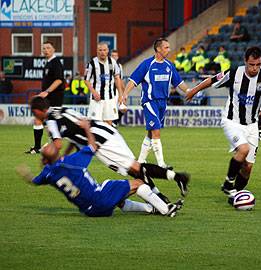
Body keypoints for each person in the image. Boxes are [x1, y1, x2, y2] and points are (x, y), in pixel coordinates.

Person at [30, 96, 190, 203]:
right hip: (104, 130)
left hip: (100, 142)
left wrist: (46, 156)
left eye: (33, 113)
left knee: (135, 168)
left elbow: (57, 144)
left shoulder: (50, 121)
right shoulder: (60, 110)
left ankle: (177, 178)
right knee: (134, 169)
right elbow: (73, 135)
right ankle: (161, 198)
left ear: (37, 111)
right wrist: (66, 156)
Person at [16, 119, 182, 217]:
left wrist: (27, 175)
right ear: (48, 157)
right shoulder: (70, 161)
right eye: (48, 147)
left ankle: (150, 208)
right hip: (99, 198)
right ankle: (165, 210)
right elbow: (93, 146)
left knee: (117, 193)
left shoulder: (47, 173)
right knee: (139, 182)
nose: (51, 144)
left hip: (89, 210)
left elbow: (35, 180)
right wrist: (87, 129)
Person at [185, 47, 261, 199]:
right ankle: (228, 184)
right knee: (243, 149)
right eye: (252, 64)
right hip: (232, 121)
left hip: (252, 125)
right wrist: (194, 90)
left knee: (247, 168)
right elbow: (212, 80)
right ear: (245, 61)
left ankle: (236, 195)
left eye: (258, 65)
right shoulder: (233, 73)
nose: (255, 68)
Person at [122, 38, 191, 168]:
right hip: (150, 102)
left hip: (163, 103)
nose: (169, 50)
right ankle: (161, 164)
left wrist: (188, 91)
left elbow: (178, 82)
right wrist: (125, 94)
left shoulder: (169, 65)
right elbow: (133, 80)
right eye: (166, 47)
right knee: (156, 131)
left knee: (151, 132)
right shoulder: (147, 64)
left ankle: (141, 161)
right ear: (158, 49)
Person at [25, 41, 65, 154]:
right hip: (47, 99)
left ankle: (55, 146)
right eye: (44, 48)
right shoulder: (48, 63)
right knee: (38, 119)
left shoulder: (56, 62)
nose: (46, 50)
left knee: (52, 124)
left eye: (48, 48)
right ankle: (37, 147)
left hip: (55, 98)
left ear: (53, 50)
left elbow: (59, 80)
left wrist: (47, 91)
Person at [84, 42, 124, 126]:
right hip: (96, 99)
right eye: (100, 50)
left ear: (107, 51)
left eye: (104, 50)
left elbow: (117, 78)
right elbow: (86, 80)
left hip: (109, 98)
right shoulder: (92, 63)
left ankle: (107, 139)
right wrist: (94, 92)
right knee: (95, 124)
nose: (102, 52)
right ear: (97, 51)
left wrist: (120, 95)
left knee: (109, 123)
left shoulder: (113, 62)